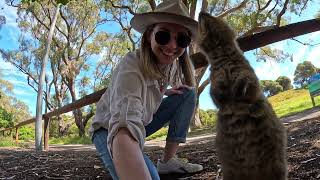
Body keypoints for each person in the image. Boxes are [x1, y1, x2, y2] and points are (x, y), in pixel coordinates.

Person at [89, 0, 203, 179]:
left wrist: (166, 91)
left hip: (142, 120)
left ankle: (168, 161)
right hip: (108, 125)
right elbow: (124, 122)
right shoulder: (131, 67)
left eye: (182, 39)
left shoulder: (170, 64)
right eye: (163, 36)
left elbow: (151, 82)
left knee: (187, 93)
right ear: (150, 34)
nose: (172, 46)